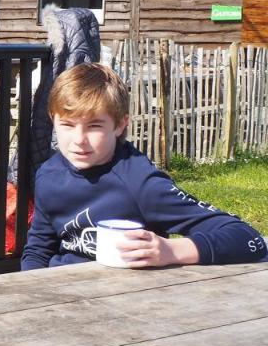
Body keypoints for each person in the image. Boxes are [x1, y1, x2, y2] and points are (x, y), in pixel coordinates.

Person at [20, 63, 266, 270]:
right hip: (59, 295)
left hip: (129, 302)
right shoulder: (49, 174)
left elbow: (248, 239)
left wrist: (172, 250)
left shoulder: (140, 182)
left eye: (94, 126)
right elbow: (39, 248)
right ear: (53, 120)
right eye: (68, 125)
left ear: (119, 125)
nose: (79, 139)